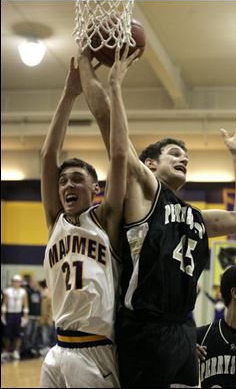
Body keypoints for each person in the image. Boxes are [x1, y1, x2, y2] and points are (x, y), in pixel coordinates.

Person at [80, 55, 236, 387]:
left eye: (185, 156)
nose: (184, 158)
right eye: (174, 153)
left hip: (181, 328)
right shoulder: (146, 193)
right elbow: (107, 121)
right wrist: (98, 74)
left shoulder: (196, 218)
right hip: (144, 328)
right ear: (149, 164)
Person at [39, 45, 139, 388]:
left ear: (95, 189)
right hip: (57, 348)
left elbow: (121, 155)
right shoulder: (56, 220)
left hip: (96, 350)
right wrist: (68, 95)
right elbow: (48, 154)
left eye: (77, 179)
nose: (67, 184)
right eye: (63, 180)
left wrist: (115, 89)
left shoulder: (105, 218)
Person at [1, 275, 29, 361]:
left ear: (20, 283)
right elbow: (4, 303)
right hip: (9, 314)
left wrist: (25, 316)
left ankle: (16, 351)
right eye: (14, 281)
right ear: (12, 282)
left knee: (18, 334)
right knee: (7, 334)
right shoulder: (7, 291)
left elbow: (25, 305)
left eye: (18, 281)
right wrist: (3, 314)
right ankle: (6, 350)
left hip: (18, 315)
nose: (16, 283)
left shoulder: (23, 292)